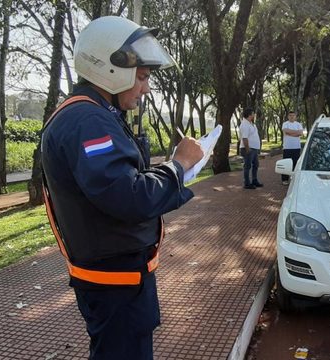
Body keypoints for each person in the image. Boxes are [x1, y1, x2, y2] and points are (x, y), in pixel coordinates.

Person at [40, 16, 204, 359]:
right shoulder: (88, 121)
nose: (145, 88)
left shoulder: (95, 115)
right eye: (141, 78)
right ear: (110, 70)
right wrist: (180, 164)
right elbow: (127, 196)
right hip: (115, 285)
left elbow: (120, 181)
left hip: (118, 282)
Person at [239, 108, 263, 189]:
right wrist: (247, 149)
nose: (254, 115)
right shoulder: (244, 125)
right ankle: (247, 183)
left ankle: (254, 180)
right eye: (253, 113)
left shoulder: (252, 124)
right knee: (247, 166)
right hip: (248, 149)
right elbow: (244, 138)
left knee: (256, 165)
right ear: (250, 115)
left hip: (254, 149)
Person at [281, 110, 304, 185]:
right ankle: (285, 179)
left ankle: (294, 178)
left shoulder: (298, 124)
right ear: (288, 116)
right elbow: (285, 131)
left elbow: (301, 133)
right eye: (290, 115)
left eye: (293, 115)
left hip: (296, 147)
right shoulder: (285, 124)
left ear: (295, 116)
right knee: (286, 163)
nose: (292, 117)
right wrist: (296, 133)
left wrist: (290, 133)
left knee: (296, 163)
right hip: (287, 147)